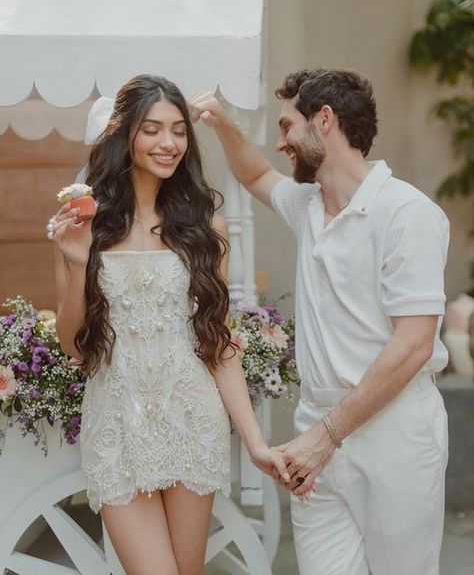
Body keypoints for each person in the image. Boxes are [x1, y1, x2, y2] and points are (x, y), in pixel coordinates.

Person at [189, 68, 450, 575]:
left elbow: (414, 344)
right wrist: (221, 123)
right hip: (317, 431)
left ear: (324, 120)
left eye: (287, 127)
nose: (282, 142)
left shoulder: (406, 213)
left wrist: (325, 437)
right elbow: (255, 175)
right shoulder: (307, 204)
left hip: (395, 431)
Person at [48, 74, 288, 575]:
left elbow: (217, 345)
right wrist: (75, 262)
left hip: (192, 422)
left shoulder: (205, 228)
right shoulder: (80, 225)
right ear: (125, 135)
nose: (168, 143)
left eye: (178, 130)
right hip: (116, 425)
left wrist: (256, 443)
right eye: (153, 129)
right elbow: (74, 346)